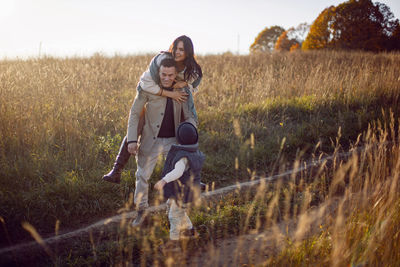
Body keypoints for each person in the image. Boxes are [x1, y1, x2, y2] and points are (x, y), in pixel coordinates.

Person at [102, 35, 203, 185]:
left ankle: (193, 177)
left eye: (181, 49)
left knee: (187, 130)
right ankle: (117, 170)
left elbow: (195, 81)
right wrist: (171, 89)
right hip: (151, 94)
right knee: (139, 122)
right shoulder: (161, 60)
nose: (177, 52)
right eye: (175, 48)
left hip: (175, 99)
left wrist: (182, 84)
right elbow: (151, 83)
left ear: (188, 51)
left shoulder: (190, 67)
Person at [127, 58, 196, 227]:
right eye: (163, 74)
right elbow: (135, 113)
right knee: (142, 176)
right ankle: (141, 213)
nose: (166, 78)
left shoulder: (181, 88)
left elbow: (189, 116)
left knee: (176, 176)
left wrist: (191, 134)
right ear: (158, 73)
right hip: (151, 140)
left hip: (174, 141)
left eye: (170, 75)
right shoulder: (148, 88)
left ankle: (171, 210)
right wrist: (132, 140)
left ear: (175, 74)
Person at [154, 122, 205, 248]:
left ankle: (174, 244)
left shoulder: (183, 157)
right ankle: (191, 231)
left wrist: (164, 180)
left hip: (183, 193)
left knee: (174, 216)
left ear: (179, 139)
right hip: (187, 191)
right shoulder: (194, 152)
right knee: (179, 211)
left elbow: (178, 172)